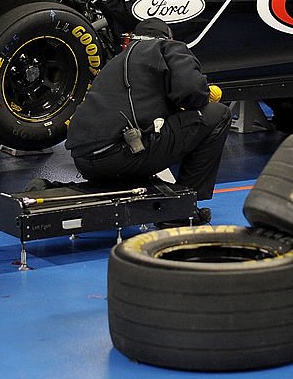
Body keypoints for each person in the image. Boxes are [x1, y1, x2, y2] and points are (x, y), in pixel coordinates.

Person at [65, 17, 231, 226]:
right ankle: (180, 210)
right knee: (218, 115)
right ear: (168, 36)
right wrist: (205, 95)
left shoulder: (117, 61)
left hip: (84, 161)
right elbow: (191, 93)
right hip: (120, 155)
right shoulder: (168, 47)